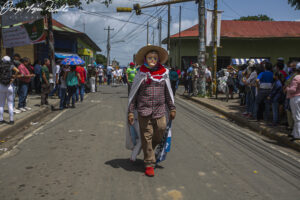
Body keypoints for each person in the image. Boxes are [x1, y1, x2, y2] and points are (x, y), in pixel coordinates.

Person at [127, 45, 176, 177]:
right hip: (144, 110)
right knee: (146, 136)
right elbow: (134, 95)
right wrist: (131, 112)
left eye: (155, 57)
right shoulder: (140, 73)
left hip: (160, 110)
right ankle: (149, 163)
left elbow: (168, 93)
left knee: (160, 131)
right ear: (145, 59)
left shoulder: (164, 73)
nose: (152, 59)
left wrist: (172, 107)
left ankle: (148, 150)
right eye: (150, 57)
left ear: (158, 59)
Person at [0, 56, 19, 124]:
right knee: (10, 104)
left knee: (1, 104)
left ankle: (1, 119)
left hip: (1, 86)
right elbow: (17, 70)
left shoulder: (0, 65)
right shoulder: (11, 65)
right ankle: (11, 120)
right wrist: (13, 78)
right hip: (9, 86)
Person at [285, 63, 300, 141]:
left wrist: (287, 88)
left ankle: (297, 135)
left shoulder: (296, 78)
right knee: (297, 116)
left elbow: (293, 90)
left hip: (295, 98)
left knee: (296, 117)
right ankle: (294, 133)